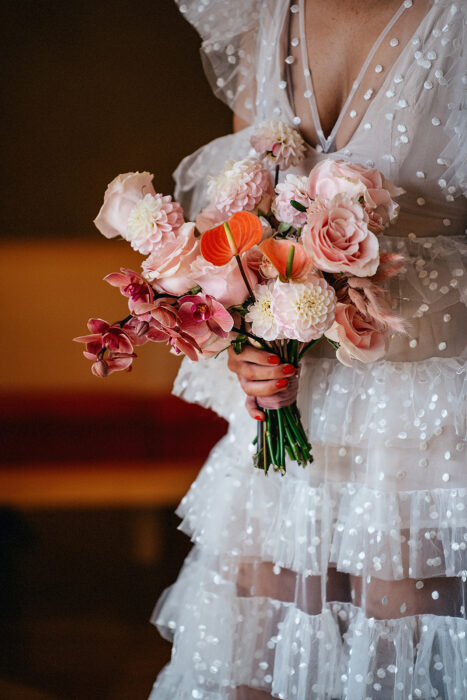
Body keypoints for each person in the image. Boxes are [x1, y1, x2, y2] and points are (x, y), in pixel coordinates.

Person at [149, 0, 467, 697]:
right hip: (291, 418)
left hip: (429, 425)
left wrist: (395, 282)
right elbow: (239, 221)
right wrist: (242, 329)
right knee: (257, 661)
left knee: (403, 651)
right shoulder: (265, 17)